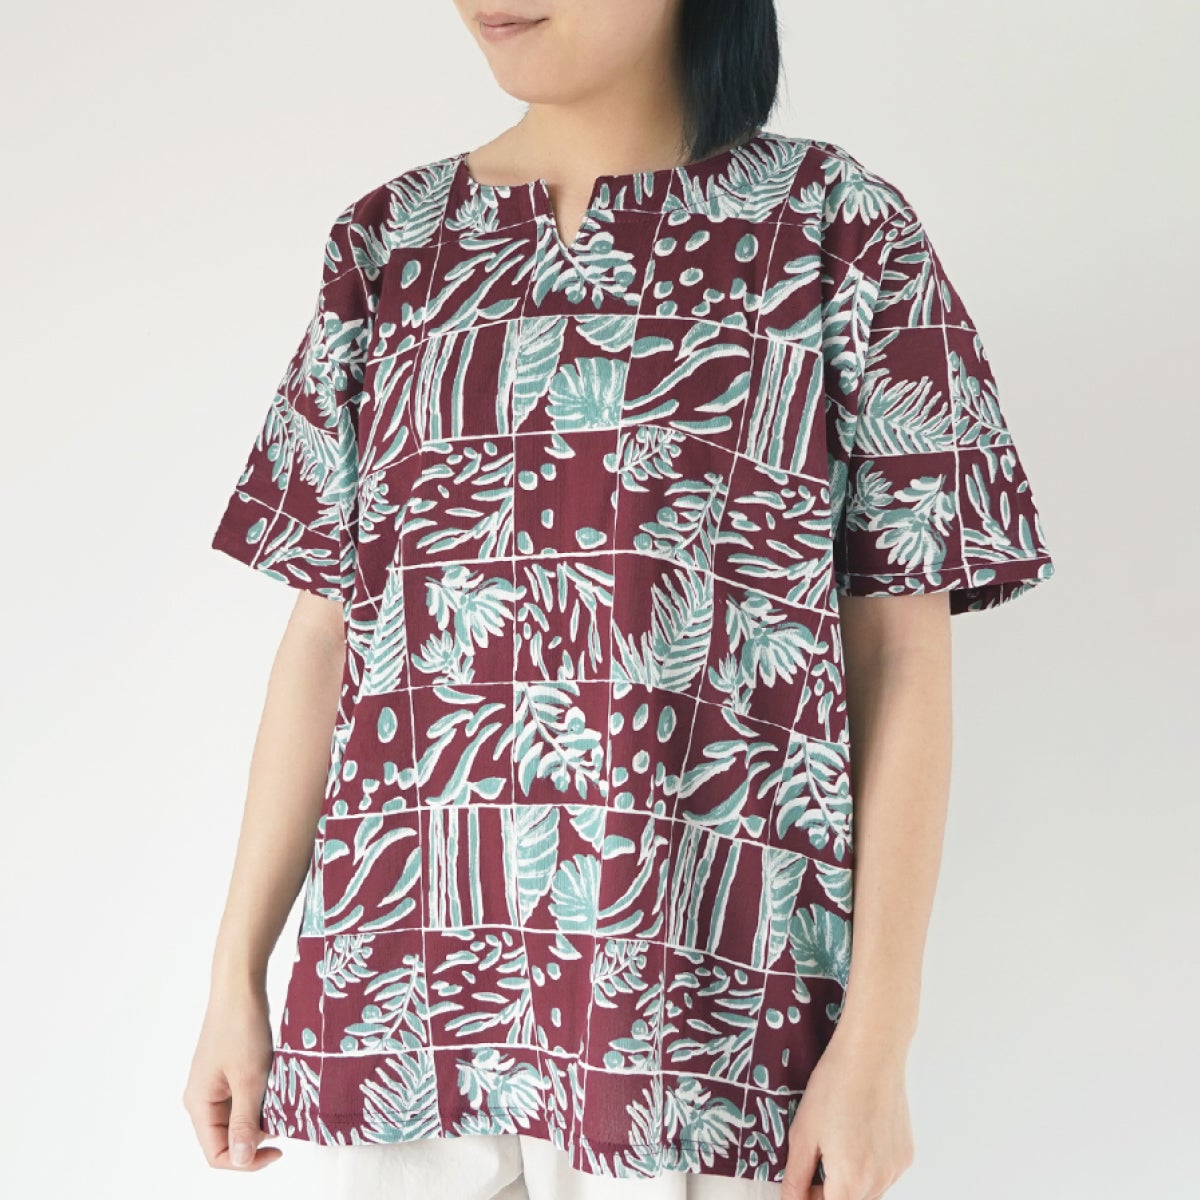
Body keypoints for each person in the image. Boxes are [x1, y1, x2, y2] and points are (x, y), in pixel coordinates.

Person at [182, 1, 1057, 1197]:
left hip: (700, 1021)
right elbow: (329, 631)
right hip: (404, 1012)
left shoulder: (834, 232)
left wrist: (878, 1039)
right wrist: (235, 974)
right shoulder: (387, 248)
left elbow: (899, 653)